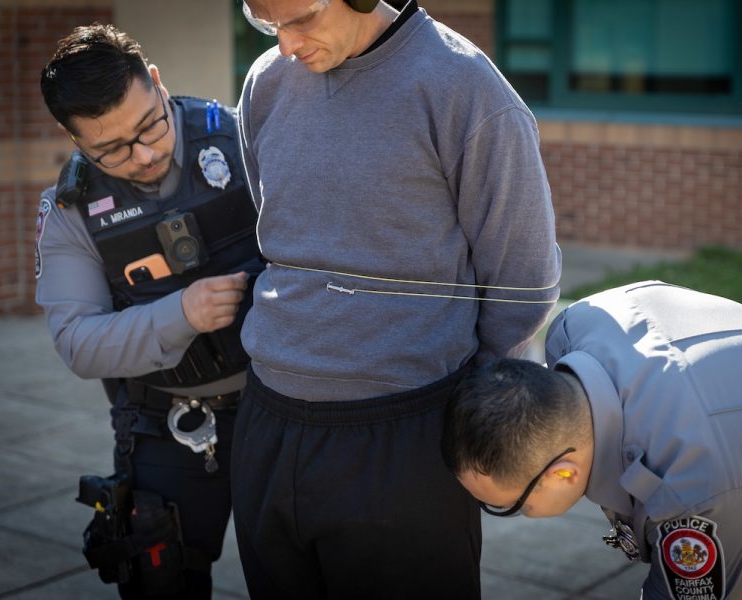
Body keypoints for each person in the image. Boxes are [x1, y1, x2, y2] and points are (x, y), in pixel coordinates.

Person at [232, 0, 561, 598]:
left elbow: (523, 282)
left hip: (406, 435)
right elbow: (275, 234)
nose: (285, 45)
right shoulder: (265, 85)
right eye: (266, 24)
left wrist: (461, 404)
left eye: (300, 19)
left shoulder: (467, 89)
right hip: (268, 424)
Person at [36, 24, 264, 599]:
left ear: (157, 83)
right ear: (72, 137)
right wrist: (180, 313)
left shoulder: (243, 135)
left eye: (149, 126)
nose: (144, 155)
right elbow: (77, 342)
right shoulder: (69, 209)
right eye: (111, 149)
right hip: (168, 422)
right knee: (160, 579)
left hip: (282, 406)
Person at [442, 281, 742, 600]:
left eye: (510, 506)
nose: (508, 512)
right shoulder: (573, 328)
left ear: (564, 473)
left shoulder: (690, 482)